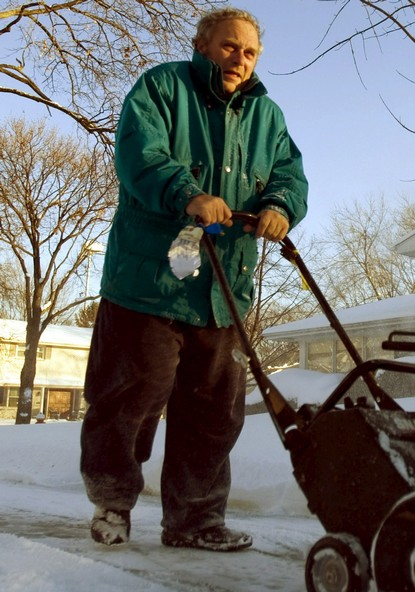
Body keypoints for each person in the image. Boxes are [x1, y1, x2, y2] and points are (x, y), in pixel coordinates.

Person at [80, 7, 308, 551]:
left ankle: (195, 521)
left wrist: (279, 204)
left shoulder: (267, 116)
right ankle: (113, 503)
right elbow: (140, 155)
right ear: (203, 45)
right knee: (132, 399)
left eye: (250, 52)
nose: (240, 59)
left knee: (213, 413)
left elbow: (289, 174)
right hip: (151, 282)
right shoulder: (162, 87)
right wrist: (187, 192)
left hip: (222, 291)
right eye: (230, 47)